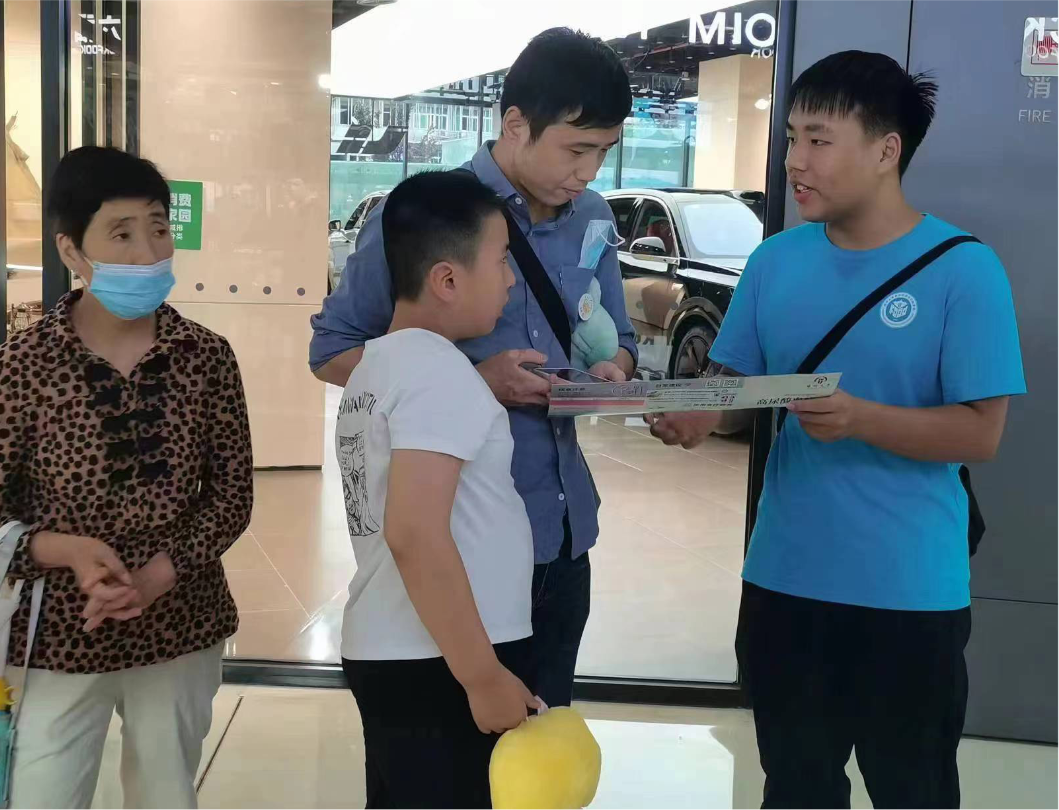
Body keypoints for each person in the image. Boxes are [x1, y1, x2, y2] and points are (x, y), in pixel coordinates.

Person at [649, 51, 1026, 809]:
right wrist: (695, 414)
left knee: (913, 791)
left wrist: (862, 420)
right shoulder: (774, 261)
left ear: (887, 150)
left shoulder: (964, 270)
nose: (796, 160)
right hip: (785, 580)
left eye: (819, 140)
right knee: (796, 788)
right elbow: (732, 389)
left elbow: (980, 434)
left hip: (910, 592)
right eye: (792, 138)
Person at [310, 28, 637, 708]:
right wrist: (472, 384)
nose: (589, 172)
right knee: (451, 746)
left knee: (542, 743)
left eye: (604, 152)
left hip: (561, 532)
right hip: (456, 545)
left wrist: (614, 370)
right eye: (576, 149)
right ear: (515, 124)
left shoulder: (592, 218)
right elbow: (334, 351)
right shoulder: (430, 215)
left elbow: (619, 338)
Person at [0, 146, 254, 810]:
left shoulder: (206, 357)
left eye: (158, 228)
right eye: (122, 234)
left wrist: (159, 573)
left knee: (166, 792)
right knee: (42, 795)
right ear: (72, 250)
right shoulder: (20, 367)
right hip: (58, 632)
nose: (148, 251)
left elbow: (231, 497)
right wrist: (66, 551)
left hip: (180, 622)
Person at [338, 170, 540, 809]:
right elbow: (416, 533)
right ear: (447, 280)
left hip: (406, 648)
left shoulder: (379, 364)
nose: (511, 280)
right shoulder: (437, 371)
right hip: (441, 658)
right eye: (502, 261)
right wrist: (482, 677)